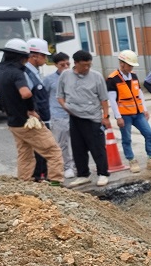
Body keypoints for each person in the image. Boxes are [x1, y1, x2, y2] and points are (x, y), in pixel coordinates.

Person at [0, 39, 64, 186]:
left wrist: (3, 108)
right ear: (21, 57)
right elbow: (26, 93)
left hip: (13, 122)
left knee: (25, 154)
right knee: (53, 151)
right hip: (29, 122)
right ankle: (56, 184)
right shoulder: (17, 73)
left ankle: (24, 183)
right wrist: (31, 110)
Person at [58, 50, 112, 187]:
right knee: (78, 148)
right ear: (75, 63)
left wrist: (106, 117)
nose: (87, 68)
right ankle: (83, 175)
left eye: (89, 65)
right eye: (84, 65)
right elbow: (60, 95)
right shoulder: (65, 75)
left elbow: (104, 99)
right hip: (74, 117)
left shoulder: (96, 76)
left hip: (92, 118)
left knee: (97, 147)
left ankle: (103, 173)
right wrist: (65, 106)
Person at [107, 50, 151, 173]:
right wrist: (118, 117)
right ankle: (132, 160)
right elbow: (112, 100)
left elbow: (139, 94)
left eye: (132, 65)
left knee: (149, 134)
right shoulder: (112, 79)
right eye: (130, 65)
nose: (131, 68)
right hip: (124, 115)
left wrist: (144, 109)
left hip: (138, 113)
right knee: (127, 139)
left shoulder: (133, 76)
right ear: (122, 63)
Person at [43, 52, 75, 178]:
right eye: (62, 65)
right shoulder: (49, 79)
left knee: (77, 142)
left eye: (68, 64)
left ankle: (78, 165)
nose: (66, 67)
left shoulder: (75, 77)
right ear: (56, 65)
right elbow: (43, 96)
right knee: (63, 143)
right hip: (58, 115)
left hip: (75, 114)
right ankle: (67, 167)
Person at [24, 38, 52, 181]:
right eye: (44, 55)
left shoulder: (34, 73)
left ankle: (43, 177)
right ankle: (38, 178)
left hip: (43, 119)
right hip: (36, 120)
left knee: (44, 152)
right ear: (34, 56)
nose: (45, 59)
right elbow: (26, 96)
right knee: (41, 151)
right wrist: (32, 113)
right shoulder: (26, 74)